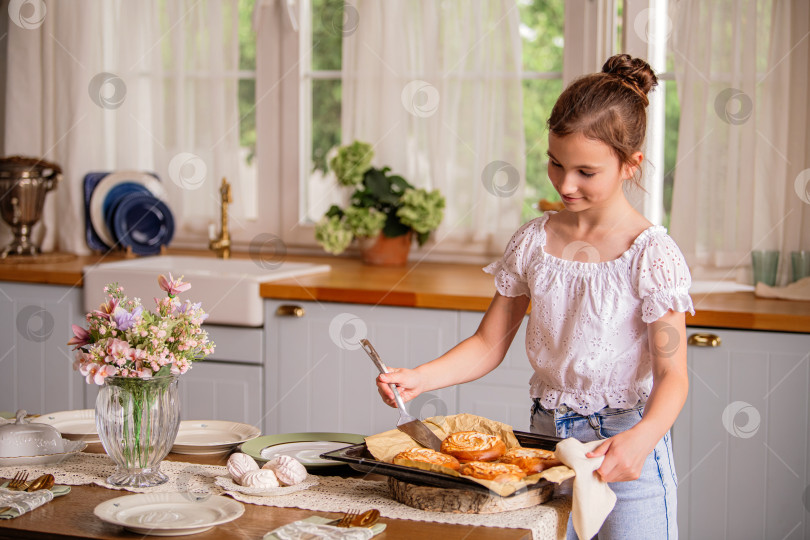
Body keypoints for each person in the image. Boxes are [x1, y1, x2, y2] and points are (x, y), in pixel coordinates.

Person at [376, 54, 692, 539]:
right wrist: (421, 378)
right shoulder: (534, 240)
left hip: (627, 449)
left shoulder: (651, 255)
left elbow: (673, 376)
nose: (565, 184)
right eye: (555, 163)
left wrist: (641, 441)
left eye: (586, 172)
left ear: (631, 165)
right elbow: (488, 343)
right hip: (543, 448)